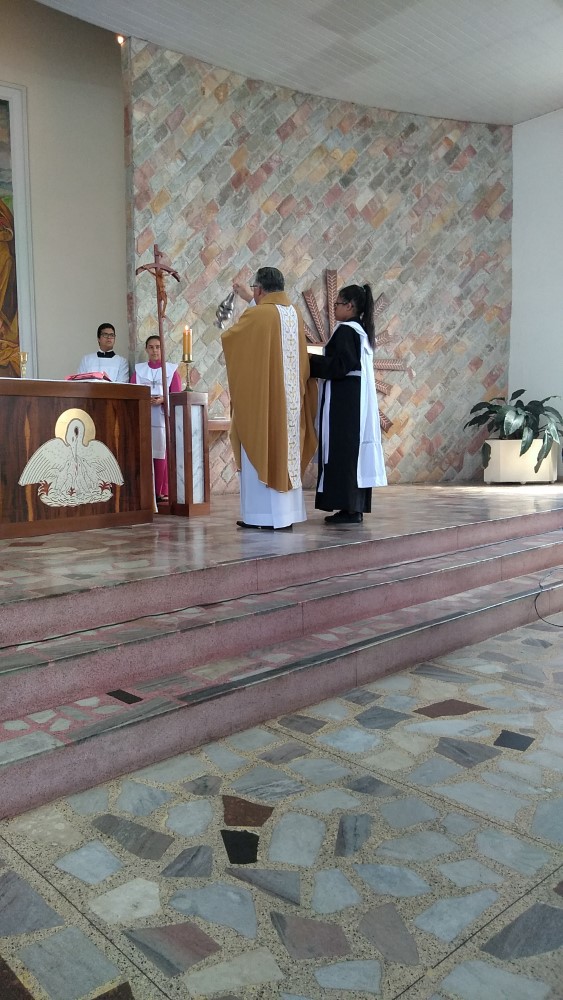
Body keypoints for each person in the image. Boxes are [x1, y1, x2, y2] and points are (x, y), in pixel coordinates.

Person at [222, 266, 317, 531]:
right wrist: (249, 299)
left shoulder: (258, 315)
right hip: (290, 403)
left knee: (260, 445)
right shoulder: (293, 313)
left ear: (259, 289)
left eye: (254, 289)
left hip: (264, 403)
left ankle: (261, 517)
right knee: (286, 450)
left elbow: (231, 340)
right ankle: (287, 515)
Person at [308, 283, 387, 524]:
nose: (334, 308)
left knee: (343, 451)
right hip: (354, 399)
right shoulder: (361, 331)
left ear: (350, 306)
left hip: (344, 402)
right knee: (352, 452)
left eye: (337, 304)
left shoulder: (346, 330)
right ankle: (353, 507)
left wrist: (308, 361)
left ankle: (349, 508)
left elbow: (339, 365)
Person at [130, 335, 181, 501]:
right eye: (151, 347)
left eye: (158, 347)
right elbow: (132, 393)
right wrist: (145, 399)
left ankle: (161, 490)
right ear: (146, 349)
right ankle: (146, 491)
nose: (154, 350)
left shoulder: (171, 371)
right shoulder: (139, 371)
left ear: (162, 349)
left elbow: (176, 397)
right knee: (145, 452)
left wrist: (163, 400)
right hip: (144, 418)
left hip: (162, 419)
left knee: (161, 453)